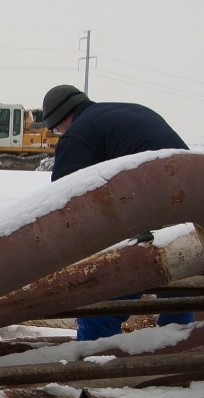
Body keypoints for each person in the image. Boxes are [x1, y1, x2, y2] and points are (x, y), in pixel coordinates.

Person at [42, 84, 195, 340]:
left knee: (105, 288)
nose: (60, 134)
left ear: (63, 118)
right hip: (188, 202)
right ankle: (175, 350)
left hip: (150, 206)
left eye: (57, 129)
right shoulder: (128, 111)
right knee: (176, 283)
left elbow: (64, 201)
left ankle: (94, 360)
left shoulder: (77, 134)